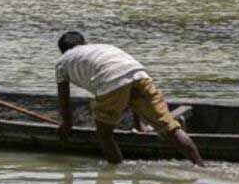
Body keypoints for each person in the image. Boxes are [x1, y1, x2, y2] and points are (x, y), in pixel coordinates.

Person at [55, 31, 205, 166]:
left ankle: (117, 171)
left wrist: (67, 125)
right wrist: (138, 125)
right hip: (139, 75)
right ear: (84, 43)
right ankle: (200, 166)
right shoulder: (102, 47)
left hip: (110, 81)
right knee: (171, 129)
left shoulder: (62, 62)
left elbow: (64, 98)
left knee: (104, 135)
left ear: (62, 51)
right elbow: (130, 87)